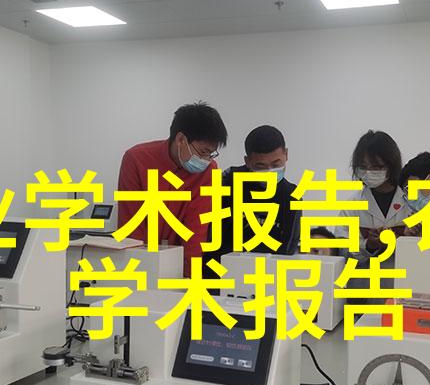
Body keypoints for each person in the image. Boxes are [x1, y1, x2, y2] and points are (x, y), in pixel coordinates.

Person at [116, 102, 227, 276]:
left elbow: (196, 231)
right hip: (139, 259)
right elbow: (132, 224)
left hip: (179, 262)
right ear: (181, 139)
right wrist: (138, 271)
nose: (206, 160)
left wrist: (190, 278)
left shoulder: (208, 171)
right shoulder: (137, 159)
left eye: (211, 154)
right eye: (202, 152)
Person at [215, 125, 300, 259]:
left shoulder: (292, 196)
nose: (270, 171)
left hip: (271, 268)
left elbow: (287, 251)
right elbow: (212, 238)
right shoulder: (228, 182)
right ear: (248, 161)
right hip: (226, 265)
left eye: (276, 164)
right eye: (261, 166)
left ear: (286, 154)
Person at [340, 130, 412, 257]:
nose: (368, 172)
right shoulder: (352, 206)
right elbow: (342, 249)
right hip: (368, 269)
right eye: (363, 167)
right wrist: (368, 245)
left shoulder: (414, 202)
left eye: (376, 167)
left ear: (391, 165)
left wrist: (403, 241)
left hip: (409, 268)